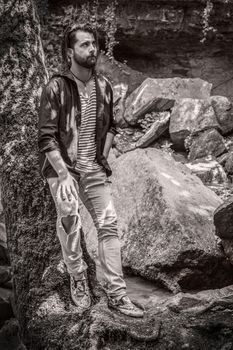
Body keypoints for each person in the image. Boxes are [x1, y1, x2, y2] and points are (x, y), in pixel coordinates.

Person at [38, 23, 144, 318]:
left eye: (94, 44)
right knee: (70, 221)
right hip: (62, 171)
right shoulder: (56, 87)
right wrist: (62, 173)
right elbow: (46, 137)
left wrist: (103, 158)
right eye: (85, 45)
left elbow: (110, 126)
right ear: (70, 52)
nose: (92, 49)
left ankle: (117, 294)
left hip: (94, 169)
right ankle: (78, 277)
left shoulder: (104, 86)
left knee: (109, 226)